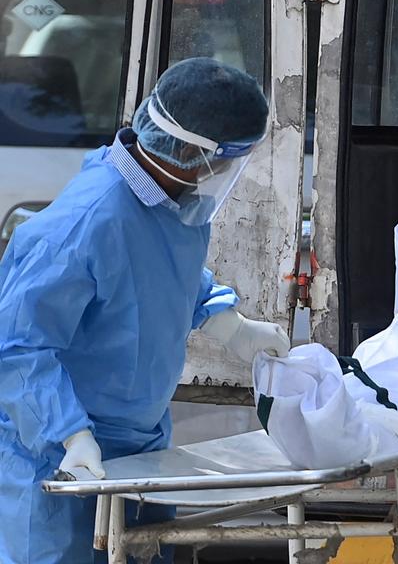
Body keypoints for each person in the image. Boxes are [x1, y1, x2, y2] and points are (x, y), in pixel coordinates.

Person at [0, 57, 290, 564]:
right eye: (226, 159)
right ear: (188, 150)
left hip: (141, 449)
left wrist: (225, 321)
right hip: (61, 459)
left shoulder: (173, 200)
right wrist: (69, 434)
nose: (223, 172)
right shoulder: (86, 222)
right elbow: (18, 344)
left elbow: (153, 272)